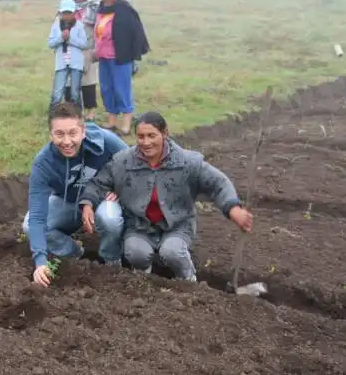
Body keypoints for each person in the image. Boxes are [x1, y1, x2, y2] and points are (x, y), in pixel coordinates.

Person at [78, 111, 254, 281]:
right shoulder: (123, 162)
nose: (146, 142)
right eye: (141, 137)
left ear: (165, 133)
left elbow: (218, 183)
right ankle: (144, 278)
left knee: (172, 253)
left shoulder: (187, 162)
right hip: (140, 226)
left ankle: (188, 280)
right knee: (135, 253)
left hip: (177, 225)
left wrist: (233, 208)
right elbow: (99, 182)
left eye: (151, 135)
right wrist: (88, 204)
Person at [23, 102, 128, 288]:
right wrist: (40, 262)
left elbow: (133, 163)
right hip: (70, 202)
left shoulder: (106, 141)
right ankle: (74, 252)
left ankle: (112, 263)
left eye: (72, 133)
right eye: (59, 134)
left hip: (103, 200)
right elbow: (37, 215)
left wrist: (120, 188)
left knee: (110, 218)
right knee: (29, 225)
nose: (66, 141)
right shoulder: (43, 163)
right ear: (50, 134)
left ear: (83, 131)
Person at [94, 0, 150, 135]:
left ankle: (126, 124)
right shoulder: (100, 11)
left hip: (121, 58)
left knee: (122, 89)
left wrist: (134, 55)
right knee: (107, 89)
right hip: (103, 57)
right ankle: (111, 122)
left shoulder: (125, 10)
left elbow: (135, 32)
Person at [65, 0, 100, 121]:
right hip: (69, 48)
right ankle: (71, 111)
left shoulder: (95, 5)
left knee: (88, 81)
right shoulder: (66, 5)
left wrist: (97, 47)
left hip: (87, 47)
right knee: (69, 80)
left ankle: (90, 112)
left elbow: (99, 26)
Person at [48, 0, 88, 109]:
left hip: (76, 64)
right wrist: (61, 38)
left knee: (75, 92)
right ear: (60, 13)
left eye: (69, 13)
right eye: (64, 13)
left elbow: (84, 44)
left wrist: (70, 39)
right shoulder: (56, 26)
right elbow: (51, 43)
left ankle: (77, 116)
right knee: (57, 92)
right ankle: (53, 115)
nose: (67, 16)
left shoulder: (79, 26)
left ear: (74, 13)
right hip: (61, 63)